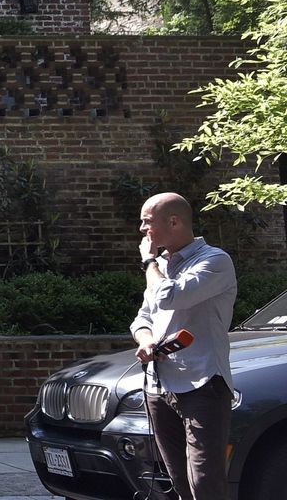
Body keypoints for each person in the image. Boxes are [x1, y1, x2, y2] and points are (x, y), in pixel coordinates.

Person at [133, 192, 238, 500]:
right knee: (179, 483)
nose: (142, 229)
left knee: (205, 484)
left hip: (202, 384)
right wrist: (146, 340)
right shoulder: (161, 266)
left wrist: (149, 261)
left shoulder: (215, 261)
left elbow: (170, 296)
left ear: (174, 221)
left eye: (147, 221)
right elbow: (143, 317)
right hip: (159, 385)